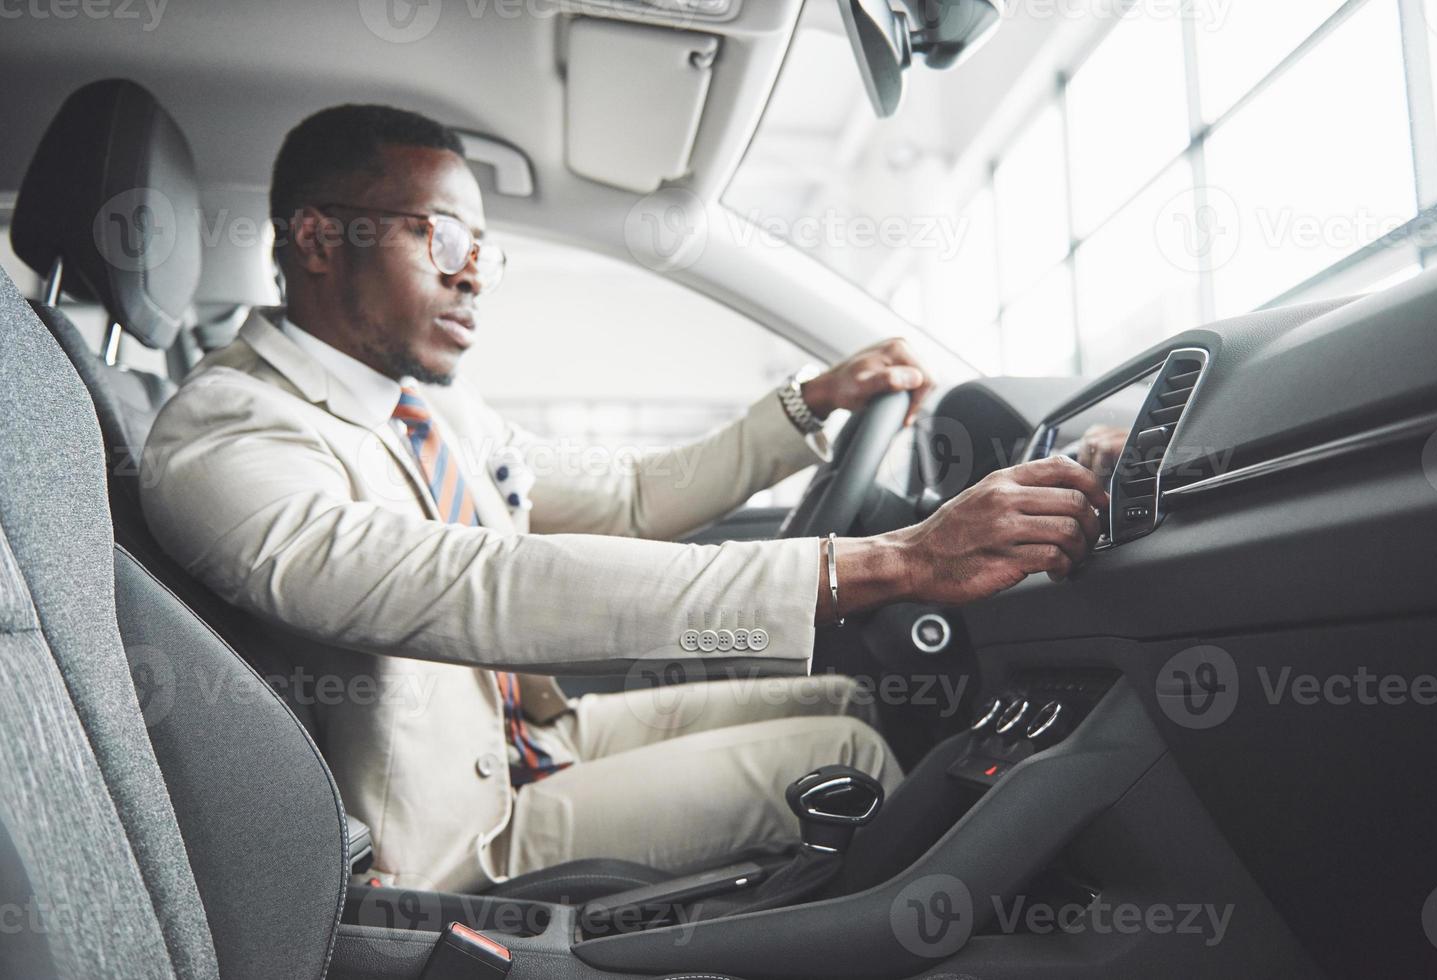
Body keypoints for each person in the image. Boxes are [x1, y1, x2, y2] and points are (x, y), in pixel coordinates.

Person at [143, 105, 1107, 894]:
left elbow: (632, 494)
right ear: (317, 238)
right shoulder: (228, 430)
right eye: (441, 236)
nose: (474, 271)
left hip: (531, 741)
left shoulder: (430, 411)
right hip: (449, 846)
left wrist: (809, 403)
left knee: (853, 698)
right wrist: (893, 562)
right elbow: (480, 587)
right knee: (846, 759)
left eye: (482, 245)